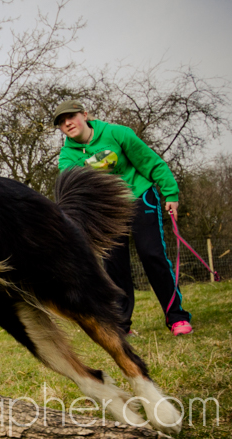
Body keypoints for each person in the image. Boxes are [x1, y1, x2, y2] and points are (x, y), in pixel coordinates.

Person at [53, 99, 193, 336]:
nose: (67, 123)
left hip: (139, 195)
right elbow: (74, 190)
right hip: (108, 210)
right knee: (114, 266)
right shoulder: (67, 157)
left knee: (152, 255)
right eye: (61, 122)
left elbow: (149, 162)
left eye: (71, 117)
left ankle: (176, 317)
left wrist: (170, 193)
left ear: (84, 115)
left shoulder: (118, 134)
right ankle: (121, 326)